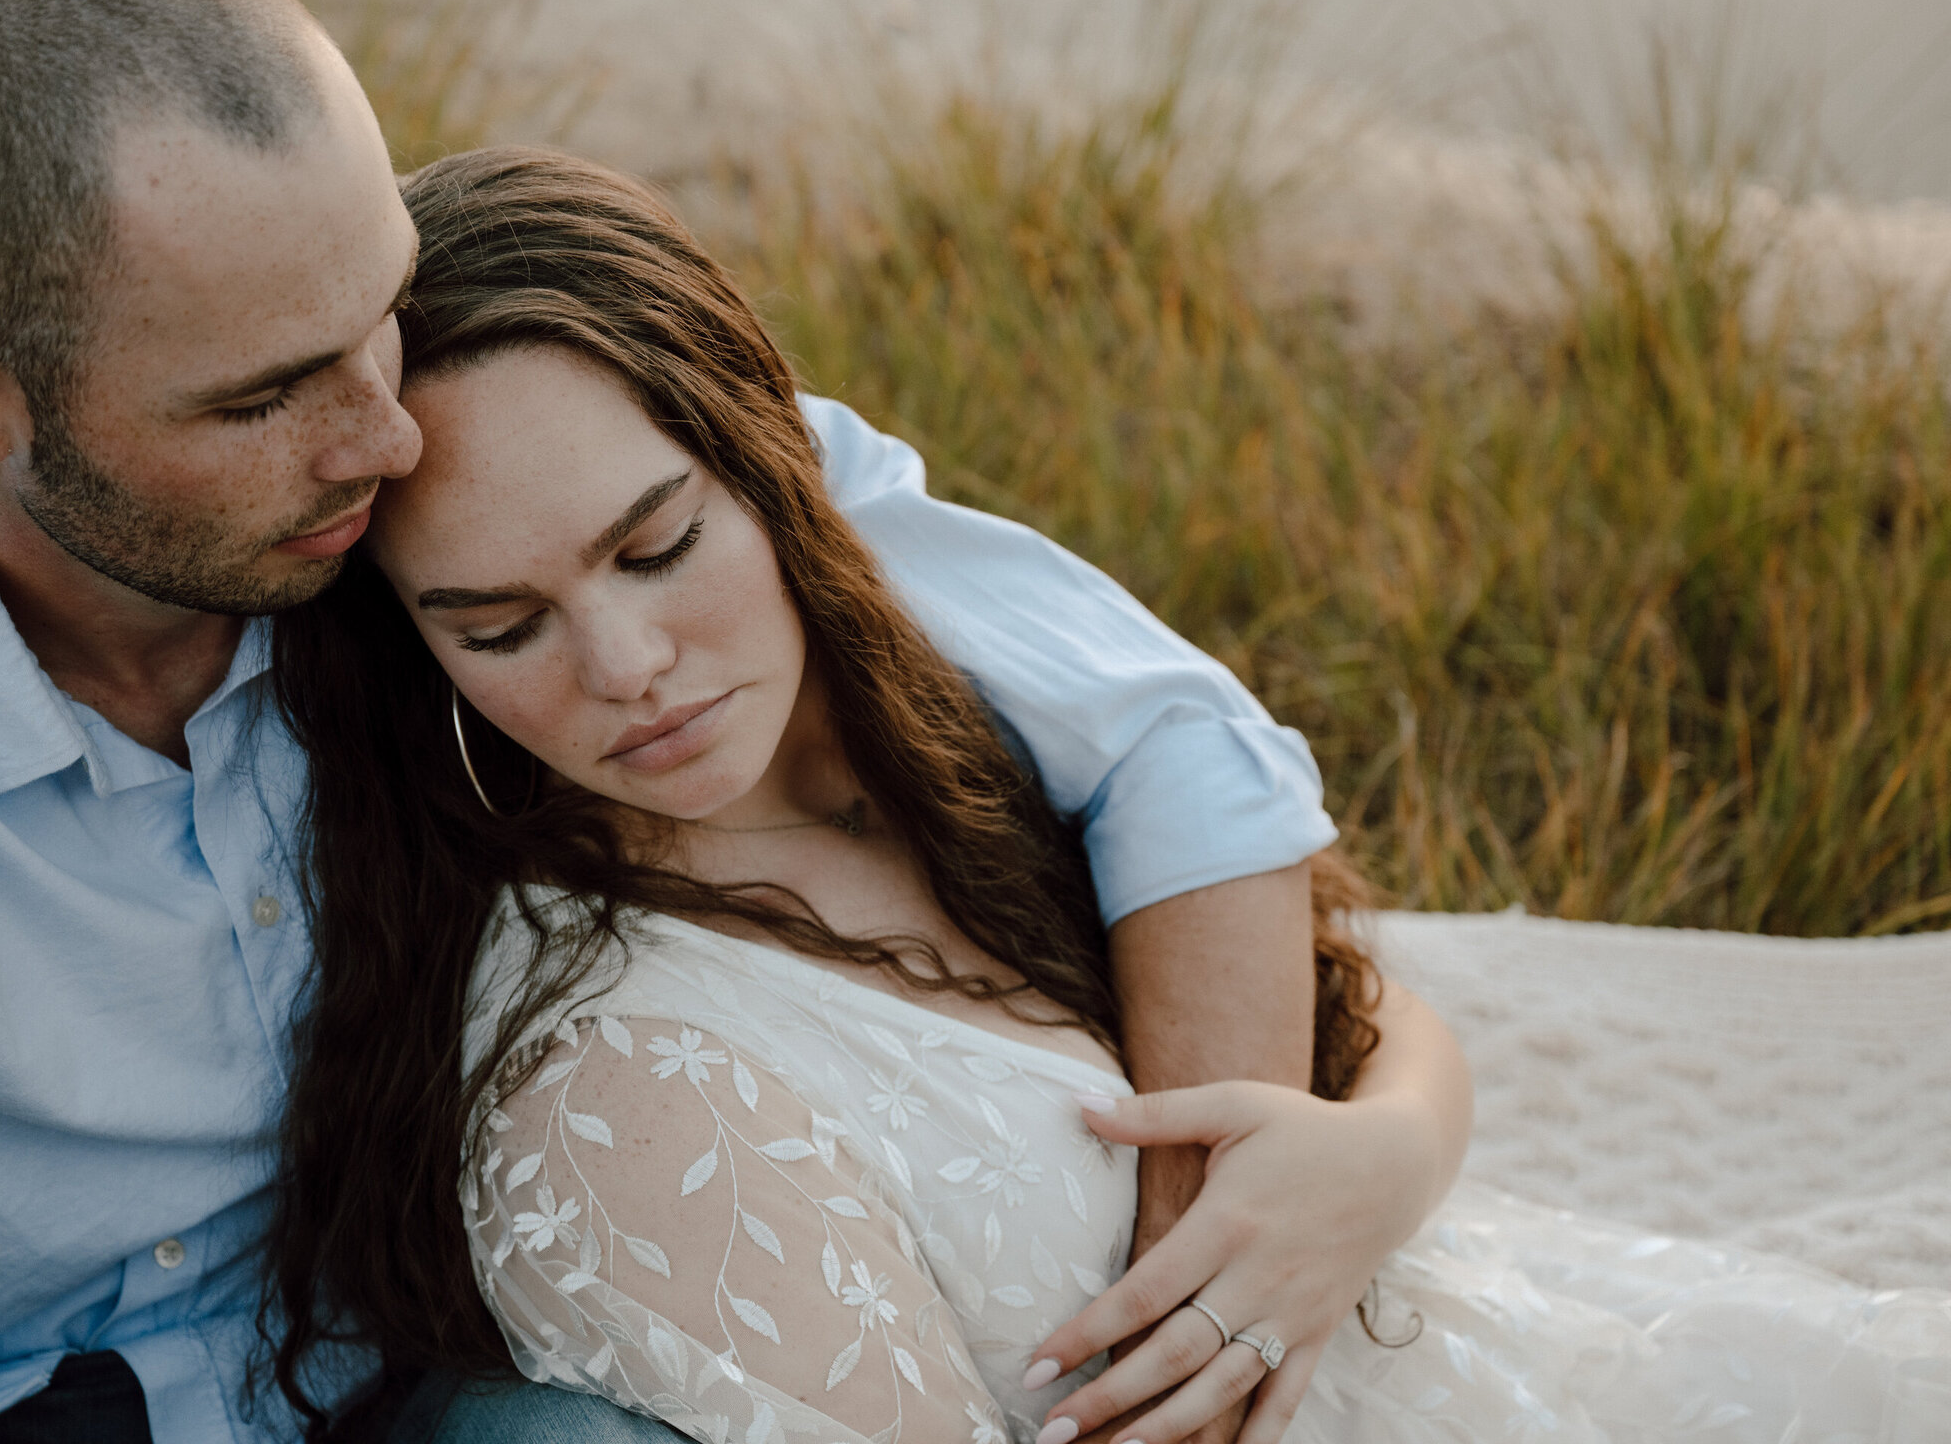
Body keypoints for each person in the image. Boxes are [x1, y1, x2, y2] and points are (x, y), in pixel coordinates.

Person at [0, 0, 1365, 1444]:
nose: (382, 439)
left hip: (421, 1381)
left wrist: (1198, 1300)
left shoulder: (442, 483)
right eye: (266, 395)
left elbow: (1173, 742)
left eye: (379, 313)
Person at [264, 145, 1951, 1444]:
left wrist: (1376, 1167)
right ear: (417, 652)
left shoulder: (917, 742)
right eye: (502, 626)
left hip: (1543, 1354)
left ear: (784, 470)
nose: (626, 662)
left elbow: (1352, 999)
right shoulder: (623, 1095)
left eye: (659, 545)